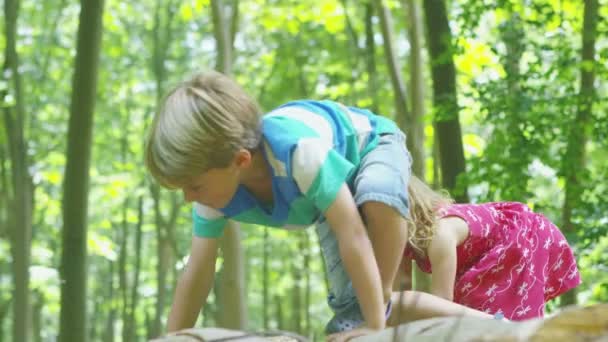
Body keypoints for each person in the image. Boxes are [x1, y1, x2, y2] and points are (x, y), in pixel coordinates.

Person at [145, 71, 494, 339]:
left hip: (370, 147)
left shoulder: (299, 154)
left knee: (376, 197)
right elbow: (198, 271)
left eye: (193, 185)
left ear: (239, 160)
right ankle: (482, 324)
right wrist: (175, 338)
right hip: (326, 197)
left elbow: (353, 235)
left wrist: (375, 326)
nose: (188, 198)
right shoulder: (212, 194)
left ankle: (384, 306)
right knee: (349, 315)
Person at [401, 175, 582, 321]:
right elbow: (400, 298)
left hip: (517, 239)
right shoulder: (405, 241)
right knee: (471, 313)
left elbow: (441, 305)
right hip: (489, 256)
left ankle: (501, 323)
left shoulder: (440, 234)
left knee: (485, 318)